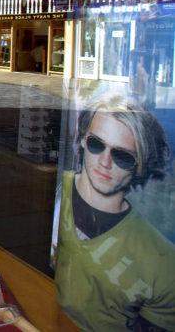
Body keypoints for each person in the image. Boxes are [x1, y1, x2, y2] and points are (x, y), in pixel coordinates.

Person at [53, 94, 175, 331]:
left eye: (122, 157)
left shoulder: (163, 263)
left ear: (141, 164)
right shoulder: (52, 193)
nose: (105, 162)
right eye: (96, 144)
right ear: (82, 142)